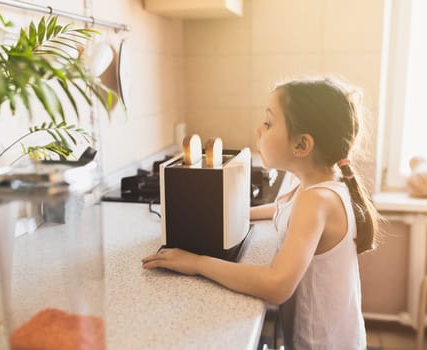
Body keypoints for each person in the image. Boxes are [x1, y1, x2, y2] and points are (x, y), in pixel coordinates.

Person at [142, 77, 381, 350]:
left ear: (301, 145)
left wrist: (197, 263)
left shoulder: (317, 201)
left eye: (268, 123)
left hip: (323, 344)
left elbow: (276, 285)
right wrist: (234, 213)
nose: (259, 129)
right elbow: (281, 209)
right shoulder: (309, 184)